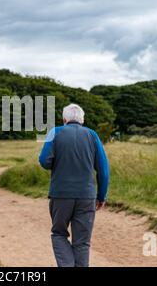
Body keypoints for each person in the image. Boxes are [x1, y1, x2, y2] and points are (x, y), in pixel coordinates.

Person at [39, 103, 110, 267]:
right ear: (82, 120)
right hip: (87, 196)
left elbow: (44, 161)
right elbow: (104, 171)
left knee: (58, 234)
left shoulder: (54, 132)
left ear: (64, 119)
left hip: (60, 194)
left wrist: (56, 163)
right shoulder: (92, 135)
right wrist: (101, 196)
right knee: (82, 242)